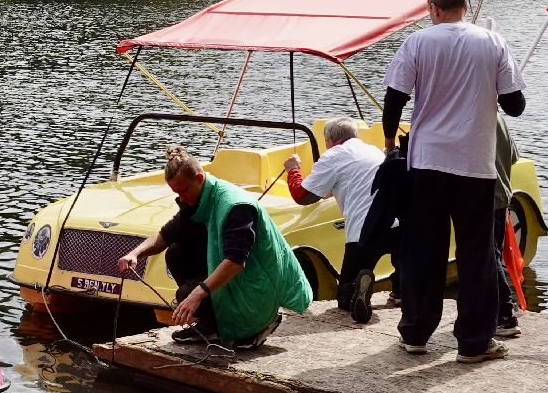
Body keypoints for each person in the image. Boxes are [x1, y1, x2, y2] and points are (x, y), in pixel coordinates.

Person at [381, 0, 526, 363]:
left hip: (427, 162)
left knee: (423, 250)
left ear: (434, 8)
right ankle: (474, 343)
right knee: (476, 255)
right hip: (475, 164)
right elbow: (515, 107)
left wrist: (390, 145)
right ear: (466, 6)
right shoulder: (493, 42)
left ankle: (415, 334)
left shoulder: (417, 42)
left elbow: (394, 99)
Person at [116, 145, 314, 349]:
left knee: (188, 294)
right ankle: (212, 325)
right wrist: (135, 254)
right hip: (237, 271)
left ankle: (261, 323)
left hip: (258, 279)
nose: (181, 198)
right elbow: (166, 235)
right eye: (176, 193)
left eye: (183, 191)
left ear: (199, 178)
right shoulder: (197, 198)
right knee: (176, 253)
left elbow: (236, 262)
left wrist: (197, 294)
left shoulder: (236, 206)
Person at [282, 117, 385, 316]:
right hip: (396, 225)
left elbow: (302, 196)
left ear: (329, 140)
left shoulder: (333, 156)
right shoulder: (373, 151)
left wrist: (293, 170)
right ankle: (399, 291)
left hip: (364, 230)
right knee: (401, 264)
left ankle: (356, 290)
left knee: (345, 299)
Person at [491, 114, 524, 339]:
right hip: (502, 196)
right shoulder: (498, 118)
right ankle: (502, 311)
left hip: (486, 195)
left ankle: (505, 314)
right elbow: (513, 157)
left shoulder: (473, 116)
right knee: (493, 255)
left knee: (488, 257)